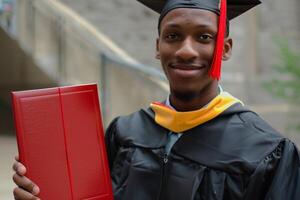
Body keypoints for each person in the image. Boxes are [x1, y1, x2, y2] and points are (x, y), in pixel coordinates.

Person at [12, 0, 300, 199]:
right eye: (173, 36)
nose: (186, 51)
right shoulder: (125, 133)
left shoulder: (265, 151)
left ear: (224, 49)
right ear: (158, 47)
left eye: (203, 37)